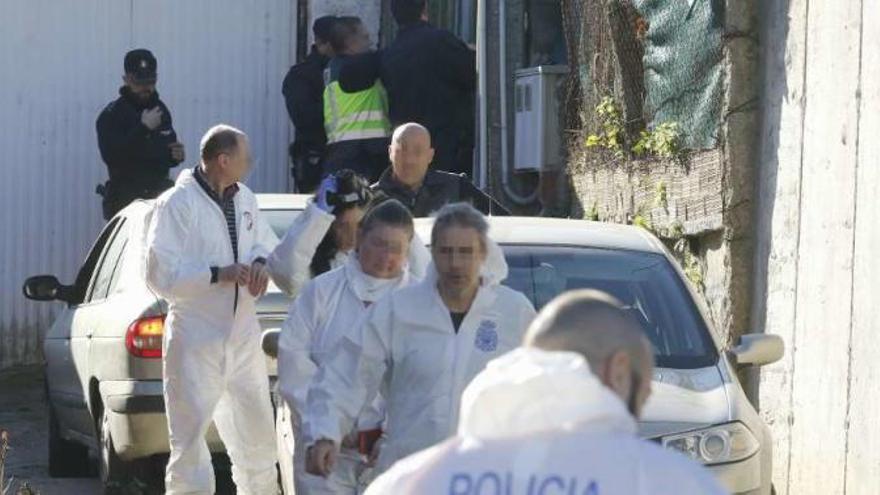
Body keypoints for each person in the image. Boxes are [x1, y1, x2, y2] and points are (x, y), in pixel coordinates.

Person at [365, 290, 728, 495]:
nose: (641, 406)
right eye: (643, 391)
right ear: (618, 371)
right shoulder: (671, 482)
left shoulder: (411, 481)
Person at [304, 203, 536, 482]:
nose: (455, 263)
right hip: (413, 473)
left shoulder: (513, 312)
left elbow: (545, 389)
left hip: (489, 476)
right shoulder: (400, 310)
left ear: (483, 254)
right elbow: (347, 372)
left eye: (465, 252)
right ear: (432, 253)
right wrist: (326, 432)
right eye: (446, 251)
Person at [144, 125, 280, 494]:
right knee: (189, 446)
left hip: (243, 336)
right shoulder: (176, 204)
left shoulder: (246, 198)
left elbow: (266, 245)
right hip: (195, 335)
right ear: (223, 160)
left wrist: (261, 264)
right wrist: (218, 274)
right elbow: (160, 275)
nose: (250, 163)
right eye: (245, 157)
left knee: (258, 440)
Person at [277, 199, 420, 495]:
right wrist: (328, 429)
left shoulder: (422, 305)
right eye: (379, 244)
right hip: (324, 457)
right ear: (359, 240)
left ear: (408, 252)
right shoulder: (319, 293)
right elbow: (294, 364)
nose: (386, 256)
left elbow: (425, 379)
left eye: (396, 248)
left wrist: (390, 434)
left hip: (393, 457)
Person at [339, 0, 476, 176]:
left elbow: (347, 80)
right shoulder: (443, 42)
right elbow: (473, 76)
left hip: (406, 148)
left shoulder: (391, 53)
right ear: (425, 9)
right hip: (449, 147)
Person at [96, 49, 185, 220]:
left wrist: (176, 156)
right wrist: (142, 128)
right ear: (127, 80)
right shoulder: (112, 115)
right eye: (139, 82)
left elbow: (166, 151)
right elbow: (112, 156)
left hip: (159, 201)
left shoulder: (160, 110)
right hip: (126, 202)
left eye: (150, 81)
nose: (146, 87)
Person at [372, 123, 509, 216]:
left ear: (430, 155)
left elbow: (505, 223)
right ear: (390, 152)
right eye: (402, 150)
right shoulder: (370, 198)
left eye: (418, 151)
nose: (409, 160)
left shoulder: (456, 187)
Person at [322, 17, 392, 183]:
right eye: (365, 38)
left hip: (342, 149)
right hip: (361, 151)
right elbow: (389, 56)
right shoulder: (355, 68)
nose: (371, 43)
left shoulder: (334, 66)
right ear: (350, 43)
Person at [283, 16, 338, 193]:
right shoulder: (301, 76)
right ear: (323, 43)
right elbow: (304, 118)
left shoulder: (348, 69)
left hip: (346, 158)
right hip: (316, 160)